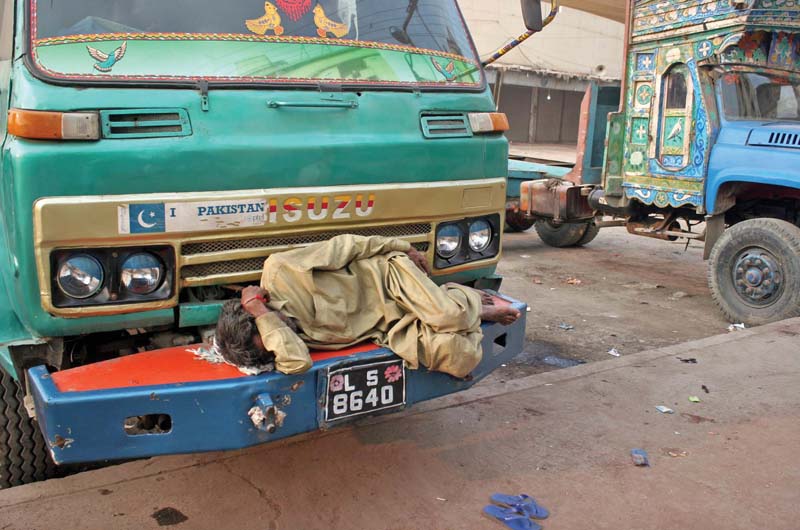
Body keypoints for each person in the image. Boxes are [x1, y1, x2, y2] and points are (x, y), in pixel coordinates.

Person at [214, 234, 520, 378]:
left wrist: (403, 248)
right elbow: (297, 363)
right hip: (390, 325)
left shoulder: (280, 270)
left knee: (447, 315)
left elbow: (347, 246)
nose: (280, 333)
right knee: (460, 358)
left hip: (390, 278)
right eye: (272, 340)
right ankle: (458, 301)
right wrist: (266, 320)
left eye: (270, 323)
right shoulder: (285, 341)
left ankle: (467, 303)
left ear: (257, 304)